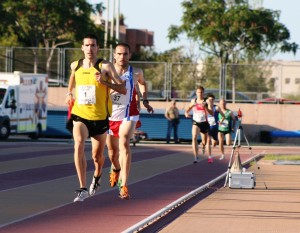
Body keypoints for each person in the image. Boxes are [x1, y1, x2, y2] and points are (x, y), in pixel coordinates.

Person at [65, 34, 126, 202]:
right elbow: (72, 77)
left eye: (93, 45)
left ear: (98, 48)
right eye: (87, 45)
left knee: (97, 158)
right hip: (80, 115)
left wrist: (105, 83)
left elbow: (122, 88)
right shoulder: (75, 65)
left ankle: (97, 177)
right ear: (82, 48)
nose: (90, 49)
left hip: (100, 118)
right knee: (78, 143)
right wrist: (69, 92)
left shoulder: (105, 66)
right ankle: (82, 188)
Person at [106, 42, 154, 200]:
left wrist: (145, 100)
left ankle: (124, 185)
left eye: (125, 54)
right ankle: (116, 168)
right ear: (114, 55)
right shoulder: (105, 71)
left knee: (124, 142)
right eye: (119, 54)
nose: (122, 57)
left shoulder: (136, 72)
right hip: (110, 115)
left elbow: (142, 84)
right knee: (113, 153)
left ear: (129, 55)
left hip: (130, 113)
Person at [185, 86, 213, 163]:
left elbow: (212, 113)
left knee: (204, 142)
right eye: (198, 92)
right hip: (196, 122)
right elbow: (187, 109)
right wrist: (186, 113)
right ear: (196, 93)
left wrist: (206, 107)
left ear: (203, 93)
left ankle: (203, 146)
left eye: (201, 92)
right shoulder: (193, 101)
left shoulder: (207, 101)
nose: (200, 94)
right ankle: (196, 156)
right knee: (194, 137)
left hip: (204, 122)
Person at [205, 93, 224, 163]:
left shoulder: (216, 108)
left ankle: (205, 145)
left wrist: (220, 121)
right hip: (207, 126)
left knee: (214, 143)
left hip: (215, 127)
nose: (211, 101)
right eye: (209, 100)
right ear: (206, 100)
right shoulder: (204, 108)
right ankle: (210, 157)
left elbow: (223, 116)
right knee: (208, 140)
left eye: (212, 100)